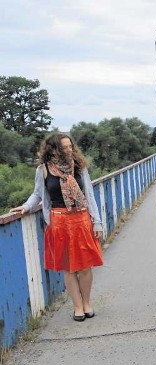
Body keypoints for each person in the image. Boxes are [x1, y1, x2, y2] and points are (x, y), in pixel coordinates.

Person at [10, 133, 104, 322]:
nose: (69, 150)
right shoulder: (43, 170)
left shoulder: (79, 167)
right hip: (59, 222)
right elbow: (37, 194)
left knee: (85, 266)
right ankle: (77, 307)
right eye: (64, 147)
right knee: (69, 268)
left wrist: (97, 222)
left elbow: (89, 195)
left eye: (70, 146)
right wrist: (26, 206)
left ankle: (87, 303)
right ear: (53, 149)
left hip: (82, 220)